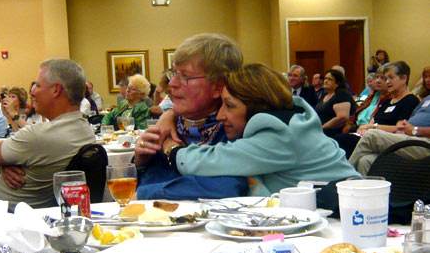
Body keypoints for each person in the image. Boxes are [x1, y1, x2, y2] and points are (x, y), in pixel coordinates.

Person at [161, 63, 359, 195]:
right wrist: (170, 114)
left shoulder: (279, 135)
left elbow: (203, 161)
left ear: (256, 106)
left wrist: (169, 145)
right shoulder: (291, 121)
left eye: (229, 106)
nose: (221, 116)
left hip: (344, 217)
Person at [134, 33, 248, 199]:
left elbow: (232, 187)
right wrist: (140, 162)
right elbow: (133, 190)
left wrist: (148, 192)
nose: (172, 84)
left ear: (218, 86)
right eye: (173, 73)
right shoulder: (169, 128)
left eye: (185, 76)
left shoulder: (234, 129)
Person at [0, 58, 96, 211]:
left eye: (38, 86)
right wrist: (6, 165)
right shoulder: (85, 129)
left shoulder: (39, 135)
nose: (32, 92)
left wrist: (4, 164)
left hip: (6, 216)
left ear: (56, 90)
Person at [349, 93, 430, 176]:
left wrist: (415, 130)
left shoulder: (410, 99)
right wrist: (404, 129)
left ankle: (344, 177)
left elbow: (412, 129)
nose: (388, 82)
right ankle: (361, 187)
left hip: (424, 143)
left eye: (390, 78)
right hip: (409, 137)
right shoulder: (426, 99)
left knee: (371, 136)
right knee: (365, 161)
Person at [315, 69, 358, 137]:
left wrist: (322, 127)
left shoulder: (342, 95)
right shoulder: (324, 95)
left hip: (334, 133)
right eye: (325, 78)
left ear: (337, 83)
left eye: (330, 79)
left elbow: (342, 117)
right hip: (320, 131)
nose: (326, 81)